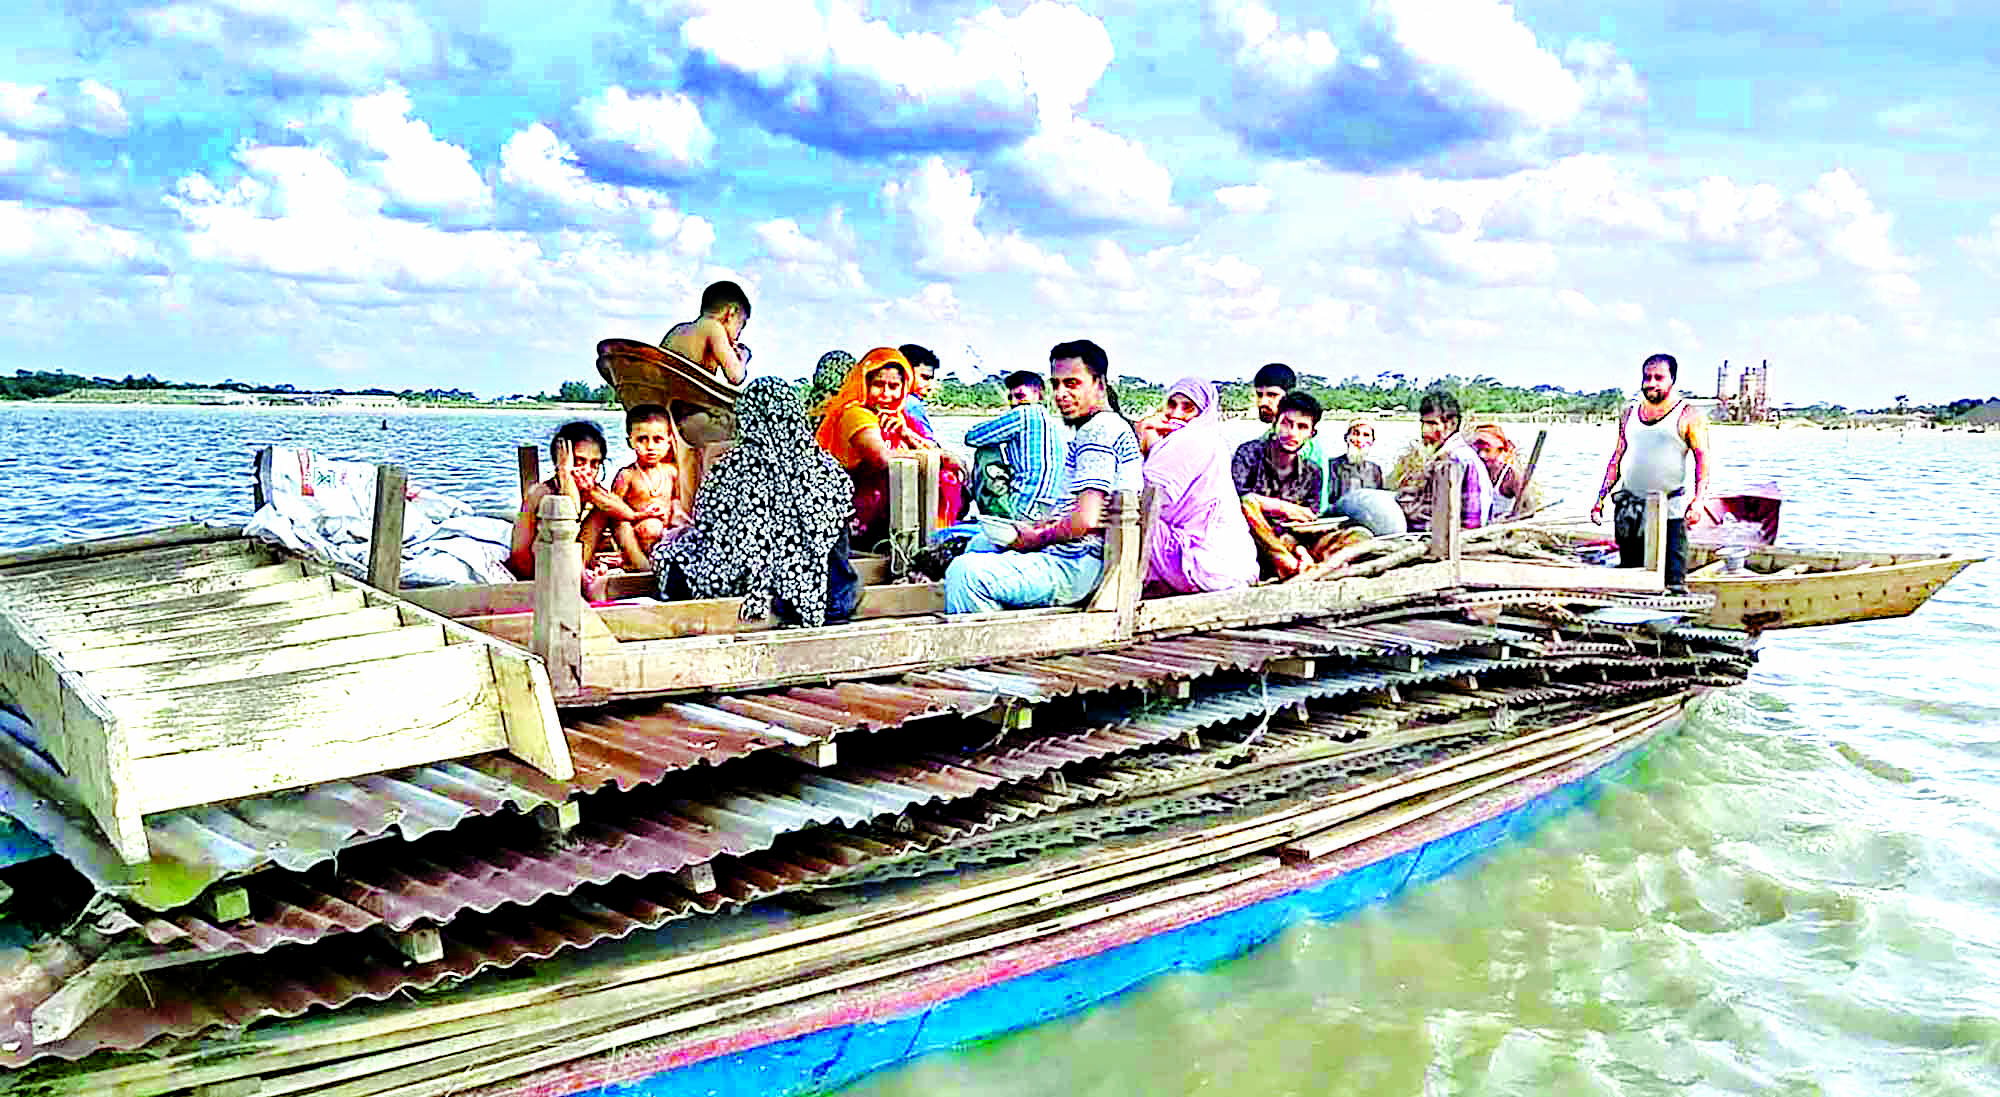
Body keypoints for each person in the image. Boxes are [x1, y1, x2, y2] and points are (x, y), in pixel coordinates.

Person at [945, 340, 1141, 613]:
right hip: (1079, 554)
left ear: (1099, 384)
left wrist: (1036, 538)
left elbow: (1086, 519)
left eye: (1072, 384)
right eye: (1056, 384)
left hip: (1078, 565)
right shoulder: (1102, 427)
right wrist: (1044, 526)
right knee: (980, 542)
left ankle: (993, 649)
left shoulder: (1099, 430)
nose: (1060, 394)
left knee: (965, 573)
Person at [653, 378, 859, 628]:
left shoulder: (729, 468)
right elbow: (841, 534)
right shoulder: (828, 469)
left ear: (747, 417)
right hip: (826, 595)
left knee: (670, 554)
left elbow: (706, 528)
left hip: (747, 583)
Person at [814, 347, 966, 544]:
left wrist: (907, 435)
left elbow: (944, 454)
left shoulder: (901, 419)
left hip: (894, 515)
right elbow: (881, 458)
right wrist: (938, 457)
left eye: (894, 386)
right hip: (860, 516)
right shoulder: (856, 414)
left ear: (904, 387)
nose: (885, 394)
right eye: (878, 385)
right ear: (864, 384)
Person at [1591, 352, 1710, 591]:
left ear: (1672, 380)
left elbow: (1702, 460)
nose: (1651, 383)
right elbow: (1617, 457)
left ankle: (1672, 610)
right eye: (1647, 377)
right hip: (1630, 508)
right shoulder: (1629, 414)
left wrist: (1698, 501)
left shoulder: (1688, 415)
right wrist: (1600, 499)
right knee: (1630, 573)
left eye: (1659, 377)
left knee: (1673, 578)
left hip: (1670, 508)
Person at [1142, 378, 1259, 594]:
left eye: (1188, 408)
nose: (1176, 414)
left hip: (1207, 565)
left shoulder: (1193, 438)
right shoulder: (1211, 441)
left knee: (1124, 519)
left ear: (1204, 413)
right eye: (1172, 405)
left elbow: (1146, 497)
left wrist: (1145, 439)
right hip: (1234, 568)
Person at [1234, 390, 1330, 578]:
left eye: (1302, 427)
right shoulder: (1249, 454)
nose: (1292, 433)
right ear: (1275, 422)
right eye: (1287, 423)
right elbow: (1236, 500)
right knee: (1248, 504)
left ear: (1312, 433)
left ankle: (1303, 562)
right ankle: (1289, 564)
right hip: (1251, 541)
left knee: (1357, 534)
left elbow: (1309, 522)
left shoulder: (1312, 472)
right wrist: (1282, 507)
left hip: (1291, 541)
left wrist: (1300, 549)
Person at [507, 420, 611, 580]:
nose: (587, 471)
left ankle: (580, 572)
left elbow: (621, 510)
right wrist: (565, 474)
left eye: (594, 464)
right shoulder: (541, 493)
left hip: (573, 564)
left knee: (603, 511)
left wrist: (592, 493)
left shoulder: (592, 491)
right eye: (579, 462)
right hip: (540, 567)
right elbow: (519, 554)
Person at [964, 370, 1070, 520]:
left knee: (987, 450)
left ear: (1038, 395)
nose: (1014, 403)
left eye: (1020, 396)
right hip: (1046, 511)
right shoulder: (1049, 420)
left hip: (1022, 509)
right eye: (1010, 398)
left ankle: (993, 514)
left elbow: (972, 438)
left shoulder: (1024, 413)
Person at [599, 404, 692, 571]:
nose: (650, 447)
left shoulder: (671, 472)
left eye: (658, 440)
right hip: (637, 532)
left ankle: (663, 561)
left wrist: (675, 519)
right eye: (642, 439)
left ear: (669, 442)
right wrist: (639, 516)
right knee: (622, 525)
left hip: (664, 533)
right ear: (630, 441)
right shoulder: (627, 475)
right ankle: (640, 563)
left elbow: (678, 501)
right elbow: (613, 510)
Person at [1395, 389, 1492, 532]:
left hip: (1456, 540)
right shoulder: (1442, 455)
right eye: (1423, 424)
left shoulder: (1458, 458)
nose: (1425, 431)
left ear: (1451, 424)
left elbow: (1472, 520)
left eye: (1432, 424)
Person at [1249, 362, 1330, 512]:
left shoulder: (1303, 446)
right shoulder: (1265, 439)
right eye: (1260, 395)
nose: (1263, 402)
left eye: (1272, 395)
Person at [661, 281, 752, 386]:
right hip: (685, 396)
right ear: (730, 314)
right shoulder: (714, 328)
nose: (738, 334)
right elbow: (736, 376)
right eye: (741, 325)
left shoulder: (678, 329)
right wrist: (743, 358)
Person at [1468, 419, 1543, 520]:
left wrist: (1511, 519)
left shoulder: (1510, 475)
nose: (1482, 455)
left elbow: (1528, 508)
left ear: (1499, 450)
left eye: (1487, 450)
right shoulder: (1475, 471)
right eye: (1478, 450)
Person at [1327, 418, 1387, 505]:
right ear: (1346, 438)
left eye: (1366, 435)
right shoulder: (1331, 466)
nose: (1359, 440)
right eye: (1356, 434)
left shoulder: (1375, 470)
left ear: (1372, 441)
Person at [898, 343, 940, 439]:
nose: (930, 386)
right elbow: (930, 442)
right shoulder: (911, 403)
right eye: (925, 377)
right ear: (906, 372)